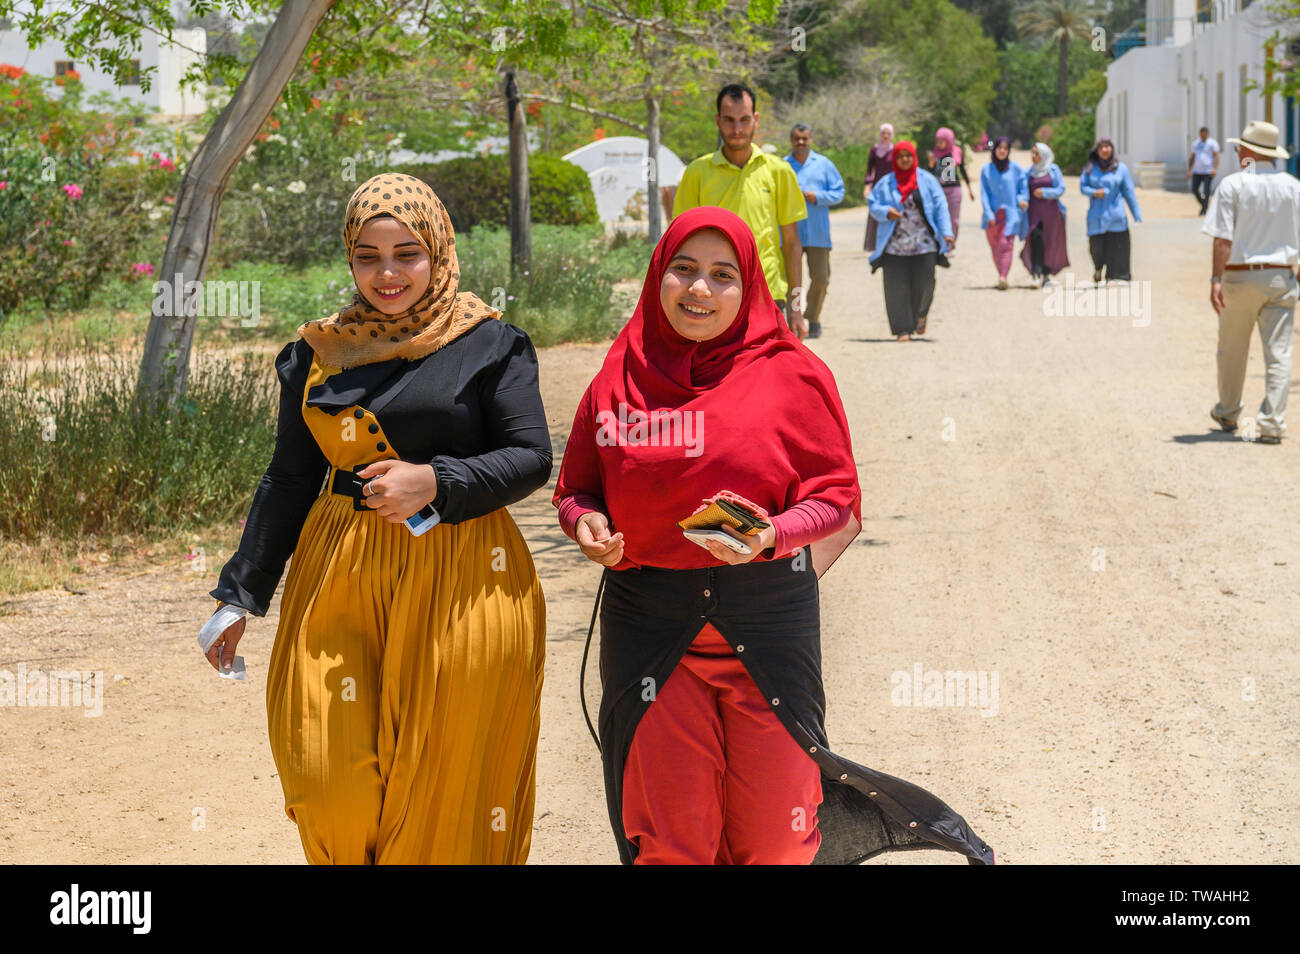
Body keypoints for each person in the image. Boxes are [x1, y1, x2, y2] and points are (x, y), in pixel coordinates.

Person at [553, 205, 994, 866]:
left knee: (778, 838)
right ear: (657, 275)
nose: (700, 289)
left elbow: (836, 496)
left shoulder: (793, 376)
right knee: (672, 838)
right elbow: (577, 489)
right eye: (684, 270)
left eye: (722, 274)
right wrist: (585, 524)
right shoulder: (618, 377)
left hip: (765, 629)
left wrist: (773, 533)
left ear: (750, 286)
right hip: (649, 630)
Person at [198, 173, 552, 864]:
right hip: (338, 574)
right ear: (349, 258)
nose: (387, 273)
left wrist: (437, 480)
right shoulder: (318, 353)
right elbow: (290, 476)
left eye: (407, 253)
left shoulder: (491, 343)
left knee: (443, 790)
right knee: (328, 778)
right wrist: (239, 594)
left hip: (466, 575)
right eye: (368, 255)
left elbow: (531, 457)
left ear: (440, 251)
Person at [673, 82, 809, 337]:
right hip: (712, 299)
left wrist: (797, 308)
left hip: (768, 297)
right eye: (729, 120)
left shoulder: (779, 171)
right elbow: (680, 244)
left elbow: (792, 244)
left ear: (756, 120)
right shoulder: (697, 173)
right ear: (717, 120)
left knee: (768, 375)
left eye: (744, 120)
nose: (737, 129)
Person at [1203, 120, 1300, 444]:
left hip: (1240, 276)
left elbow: (1222, 239)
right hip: (1280, 276)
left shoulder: (1232, 185)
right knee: (1280, 353)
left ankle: (1229, 411)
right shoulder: (1293, 186)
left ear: (1247, 150)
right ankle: (1272, 423)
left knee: (1232, 349)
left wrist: (1216, 279)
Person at [867, 140, 954, 340]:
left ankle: (920, 315)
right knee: (896, 288)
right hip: (894, 246)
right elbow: (873, 203)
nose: (904, 159)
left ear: (914, 157)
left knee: (926, 284)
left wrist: (946, 232)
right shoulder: (886, 182)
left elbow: (941, 206)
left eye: (908, 155)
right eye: (900, 156)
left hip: (924, 244)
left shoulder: (927, 180)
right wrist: (885, 212)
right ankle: (902, 329)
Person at [785, 123, 845, 339]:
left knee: (821, 278)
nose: (800, 142)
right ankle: (793, 318)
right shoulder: (783, 166)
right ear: (791, 140)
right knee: (792, 280)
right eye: (796, 139)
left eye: (804, 138)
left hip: (818, 233)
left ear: (811, 139)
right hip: (791, 233)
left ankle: (813, 317)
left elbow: (839, 192)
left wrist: (818, 196)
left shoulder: (824, 164)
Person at [1080, 138, 1141, 284]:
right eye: (1101, 147)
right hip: (1096, 215)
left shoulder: (1121, 169)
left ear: (1112, 149)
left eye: (1107, 147)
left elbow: (1129, 192)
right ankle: (1098, 268)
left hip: (1115, 214)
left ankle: (1116, 276)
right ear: (1097, 150)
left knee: (1117, 246)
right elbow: (1083, 187)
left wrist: (1136, 213)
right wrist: (1094, 192)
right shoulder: (1090, 168)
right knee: (1096, 247)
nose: (1105, 150)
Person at [979, 136, 1027, 290]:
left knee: (1006, 245)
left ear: (1009, 151)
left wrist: (1021, 200)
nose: (1002, 151)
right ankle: (1001, 274)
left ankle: (1003, 276)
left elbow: (1022, 188)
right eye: (999, 148)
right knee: (995, 247)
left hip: (1010, 214)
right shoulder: (986, 170)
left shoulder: (1016, 169)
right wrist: (988, 213)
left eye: (1005, 148)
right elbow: (984, 193)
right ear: (994, 150)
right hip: (992, 216)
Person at [1019, 141, 1069, 287]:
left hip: (1052, 214)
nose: (1034, 156)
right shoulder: (1028, 172)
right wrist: (1022, 201)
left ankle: (1047, 275)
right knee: (1036, 239)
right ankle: (1035, 273)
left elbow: (1061, 188)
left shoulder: (1053, 170)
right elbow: (1022, 191)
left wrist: (1045, 193)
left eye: (1037, 153)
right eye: (1032, 153)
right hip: (1034, 213)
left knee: (1050, 242)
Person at [928, 127, 974, 242]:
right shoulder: (935, 153)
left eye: (942, 141)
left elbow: (962, 170)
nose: (939, 144)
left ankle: (951, 243)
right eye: (937, 141)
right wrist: (931, 163)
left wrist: (970, 190)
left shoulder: (957, 151)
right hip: (939, 190)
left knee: (954, 219)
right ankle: (942, 243)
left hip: (954, 189)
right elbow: (932, 171)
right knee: (939, 217)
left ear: (948, 140)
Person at [862, 122, 896, 252]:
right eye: (883, 133)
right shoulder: (874, 150)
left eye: (888, 133)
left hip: (891, 186)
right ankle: (872, 244)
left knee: (890, 211)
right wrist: (867, 186)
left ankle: (888, 242)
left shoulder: (894, 150)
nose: (885, 136)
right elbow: (870, 169)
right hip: (877, 186)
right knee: (875, 212)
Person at [1188, 126, 1220, 216]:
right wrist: (1190, 170)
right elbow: (1192, 157)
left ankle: (1204, 210)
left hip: (1208, 171)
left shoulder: (1212, 143)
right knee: (1194, 189)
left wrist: (1214, 168)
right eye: (1201, 134)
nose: (1203, 135)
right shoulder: (1196, 143)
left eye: (1204, 133)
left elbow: (1216, 156)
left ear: (1207, 134)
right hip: (1197, 171)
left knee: (1206, 191)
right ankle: (1204, 204)